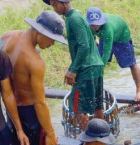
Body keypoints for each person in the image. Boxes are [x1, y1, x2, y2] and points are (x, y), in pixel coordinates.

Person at [1, 11, 67, 145]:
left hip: (12, 112)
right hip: (30, 113)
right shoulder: (35, 61)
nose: (52, 45)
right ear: (40, 33)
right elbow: (40, 102)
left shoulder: (8, 37)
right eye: (52, 39)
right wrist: (50, 132)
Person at [45, 0, 104, 132]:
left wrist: (73, 70)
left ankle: (85, 141)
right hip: (95, 65)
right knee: (97, 106)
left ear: (64, 2)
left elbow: (84, 45)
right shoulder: (76, 16)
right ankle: (100, 137)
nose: (54, 8)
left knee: (78, 107)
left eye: (55, 4)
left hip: (86, 68)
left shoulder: (73, 19)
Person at [85, 7, 140, 101]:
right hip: (105, 37)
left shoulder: (107, 29)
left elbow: (107, 51)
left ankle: (139, 91)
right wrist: (94, 39)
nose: (95, 26)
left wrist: (100, 67)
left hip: (122, 36)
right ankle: (95, 90)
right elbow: (90, 36)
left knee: (131, 63)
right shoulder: (89, 26)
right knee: (97, 62)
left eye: (97, 23)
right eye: (92, 24)